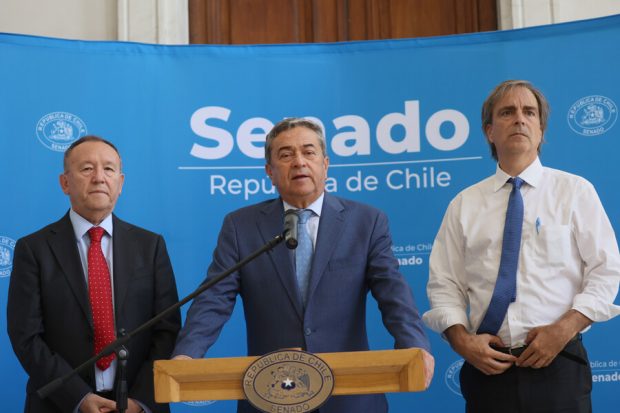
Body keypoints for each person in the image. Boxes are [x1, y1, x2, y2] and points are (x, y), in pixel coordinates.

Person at [172, 117, 434, 412]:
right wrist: (188, 354)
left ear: (325, 164)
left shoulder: (366, 222)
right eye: (285, 155)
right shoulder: (241, 227)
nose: (299, 162)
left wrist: (414, 344)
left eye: (308, 152)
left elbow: (393, 291)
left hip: (349, 398)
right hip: (271, 394)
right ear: (270, 172)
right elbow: (214, 298)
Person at [423, 80, 620, 412]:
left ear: (541, 130)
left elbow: (606, 272)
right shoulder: (464, 204)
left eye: (529, 112)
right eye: (507, 112)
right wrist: (462, 342)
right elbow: (444, 284)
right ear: (489, 131)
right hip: (486, 368)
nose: (519, 119)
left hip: (559, 364)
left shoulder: (574, 192)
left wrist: (565, 328)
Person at [7, 136, 181, 413]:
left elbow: (167, 330)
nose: (99, 178)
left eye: (109, 169)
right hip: (59, 404)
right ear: (65, 183)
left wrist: (140, 400)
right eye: (87, 168)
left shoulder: (150, 246)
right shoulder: (34, 249)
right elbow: (26, 336)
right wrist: (77, 398)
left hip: (136, 404)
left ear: (120, 183)